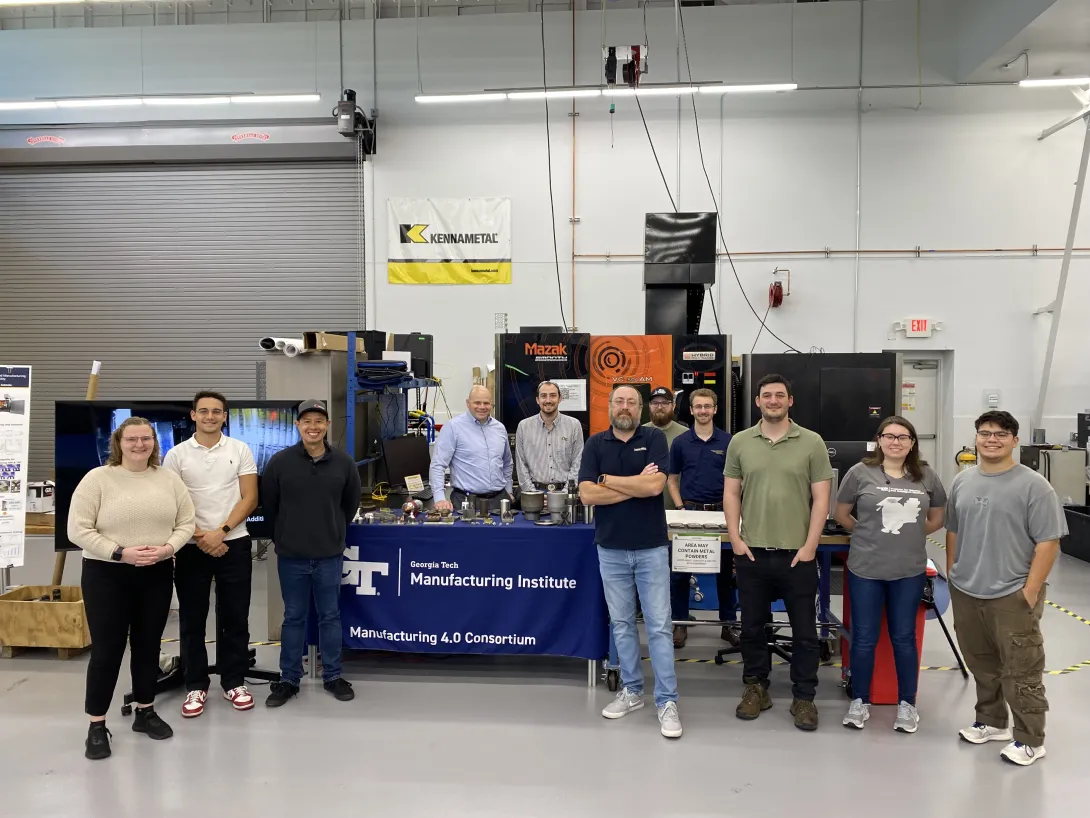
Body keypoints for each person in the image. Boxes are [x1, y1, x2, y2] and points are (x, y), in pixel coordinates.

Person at [67, 417, 195, 761]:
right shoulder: (98, 479)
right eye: (131, 439)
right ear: (118, 443)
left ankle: (145, 710)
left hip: (155, 573)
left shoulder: (168, 480)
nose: (139, 445)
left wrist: (168, 549)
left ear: (155, 442)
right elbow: (76, 529)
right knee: (107, 651)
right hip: (106, 574)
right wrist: (119, 552)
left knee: (147, 646)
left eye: (146, 439)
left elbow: (186, 522)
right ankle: (97, 725)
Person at [946, 410, 1067, 766]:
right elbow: (953, 529)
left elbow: (1049, 542)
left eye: (1001, 434)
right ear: (975, 439)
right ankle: (991, 721)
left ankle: (1030, 738)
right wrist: (955, 571)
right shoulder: (963, 482)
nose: (992, 439)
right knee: (982, 662)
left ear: (1014, 440)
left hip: (1011, 593)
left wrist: (1028, 592)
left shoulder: (1034, 486)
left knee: (1022, 669)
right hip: (968, 590)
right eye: (985, 433)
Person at [724, 373, 832, 731]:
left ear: (790, 401)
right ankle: (756, 688)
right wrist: (735, 539)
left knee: (804, 632)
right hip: (752, 553)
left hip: (797, 556)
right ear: (757, 402)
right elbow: (732, 494)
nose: (773, 401)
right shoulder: (740, 442)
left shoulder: (812, 442)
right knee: (752, 628)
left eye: (779, 395)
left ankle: (804, 697)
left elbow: (821, 499)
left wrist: (811, 545)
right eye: (766, 396)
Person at [579, 385, 682, 739]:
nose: (625, 407)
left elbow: (655, 488)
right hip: (610, 548)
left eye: (632, 402)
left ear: (641, 409)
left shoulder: (655, 439)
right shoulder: (595, 444)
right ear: (610, 406)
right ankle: (633, 691)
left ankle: (667, 701)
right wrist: (632, 483)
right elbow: (587, 493)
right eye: (619, 401)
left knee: (658, 627)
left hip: (651, 547)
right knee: (621, 623)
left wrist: (608, 481)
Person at [833, 416, 946, 733]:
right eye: (889, 436)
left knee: (904, 639)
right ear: (879, 440)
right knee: (864, 638)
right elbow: (840, 514)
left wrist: (910, 533)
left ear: (912, 443)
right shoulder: (859, 473)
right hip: (866, 569)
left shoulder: (927, 476)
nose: (896, 442)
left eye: (903, 437)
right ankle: (860, 701)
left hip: (907, 571)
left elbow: (937, 516)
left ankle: (907, 705)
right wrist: (868, 532)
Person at [163, 391, 259, 719]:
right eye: (203, 411)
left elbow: (250, 497)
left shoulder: (240, 450)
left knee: (235, 616)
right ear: (193, 415)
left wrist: (222, 532)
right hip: (191, 547)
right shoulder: (175, 455)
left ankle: (234, 681)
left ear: (224, 416)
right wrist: (202, 536)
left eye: (216, 411)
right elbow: (172, 505)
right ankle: (196, 685)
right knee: (192, 619)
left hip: (235, 542)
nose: (209, 416)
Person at [262, 399, 362, 707]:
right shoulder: (280, 462)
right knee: (293, 617)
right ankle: (289, 679)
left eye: (319, 421)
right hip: (292, 556)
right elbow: (269, 506)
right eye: (307, 421)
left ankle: (332, 675)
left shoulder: (344, 463)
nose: (313, 427)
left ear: (327, 425)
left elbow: (351, 504)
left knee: (330, 616)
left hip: (329, 555)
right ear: (297, 426)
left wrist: (332, 532)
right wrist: (286, 538)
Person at [666, 389, 737, 649]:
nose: (703, 411)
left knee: (726, 574)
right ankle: (680, 625)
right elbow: (671, 479)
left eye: (708, 406)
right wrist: (680, 507)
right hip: (689, 513)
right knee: (680, 574)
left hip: (722, 514)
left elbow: (736, 481)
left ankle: (729, 625)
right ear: (692, 410)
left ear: (715, 409)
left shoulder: (730, 442)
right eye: (699, 407)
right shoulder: (681, 443)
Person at [432, 385, 513, 514]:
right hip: (466, 500)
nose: (482, 407)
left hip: (499, 500)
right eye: (477, 402)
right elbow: (438, 465)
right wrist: (440, 498)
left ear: (491, 404)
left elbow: (507, 463)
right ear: (468, 403)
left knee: (502, 534)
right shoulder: (453, 428)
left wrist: (508, 490)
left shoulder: (500, 428)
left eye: (486, 403)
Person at [514, 380, 584, 492]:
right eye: (543, 396)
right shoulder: (524, 427)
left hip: (565, 493)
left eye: (552, 396)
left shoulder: (574, 425)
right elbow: (521, 464)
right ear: (537, 400)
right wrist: (533, 493)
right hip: (534, 493)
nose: (548, 400)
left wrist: (565, 492)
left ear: (560, 399)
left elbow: (578, 462)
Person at [644, 386, 688, 512]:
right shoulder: (639, 434)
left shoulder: (685, 435)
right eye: (655, 403)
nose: (659, 407)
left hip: (679, 508)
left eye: (664, 403)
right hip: (645, 507)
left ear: (673, 406)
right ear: (649, 406)